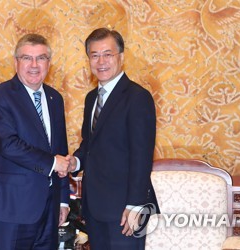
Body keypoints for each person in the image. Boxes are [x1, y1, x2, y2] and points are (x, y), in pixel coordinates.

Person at [70, 27, 160, 249]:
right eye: (94, 55)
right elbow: (90, 145)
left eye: (107, 54)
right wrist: (76, 161)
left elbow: (142, 155)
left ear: (121, 57)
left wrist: (136, 205)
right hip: (95, 208)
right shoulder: (92, 98)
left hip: (125, 209)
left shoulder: (138, 97)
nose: (101, 61)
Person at [0, 33, 71, 250]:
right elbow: (8, 145)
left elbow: (60, 149)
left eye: (41, 58)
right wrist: (52, 163)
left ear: (49, 64)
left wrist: (63, 200)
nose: (34, 65)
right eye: (26, 58)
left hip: (49, 210)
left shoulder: (54, 98)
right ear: (16, 62)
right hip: (10, 210)